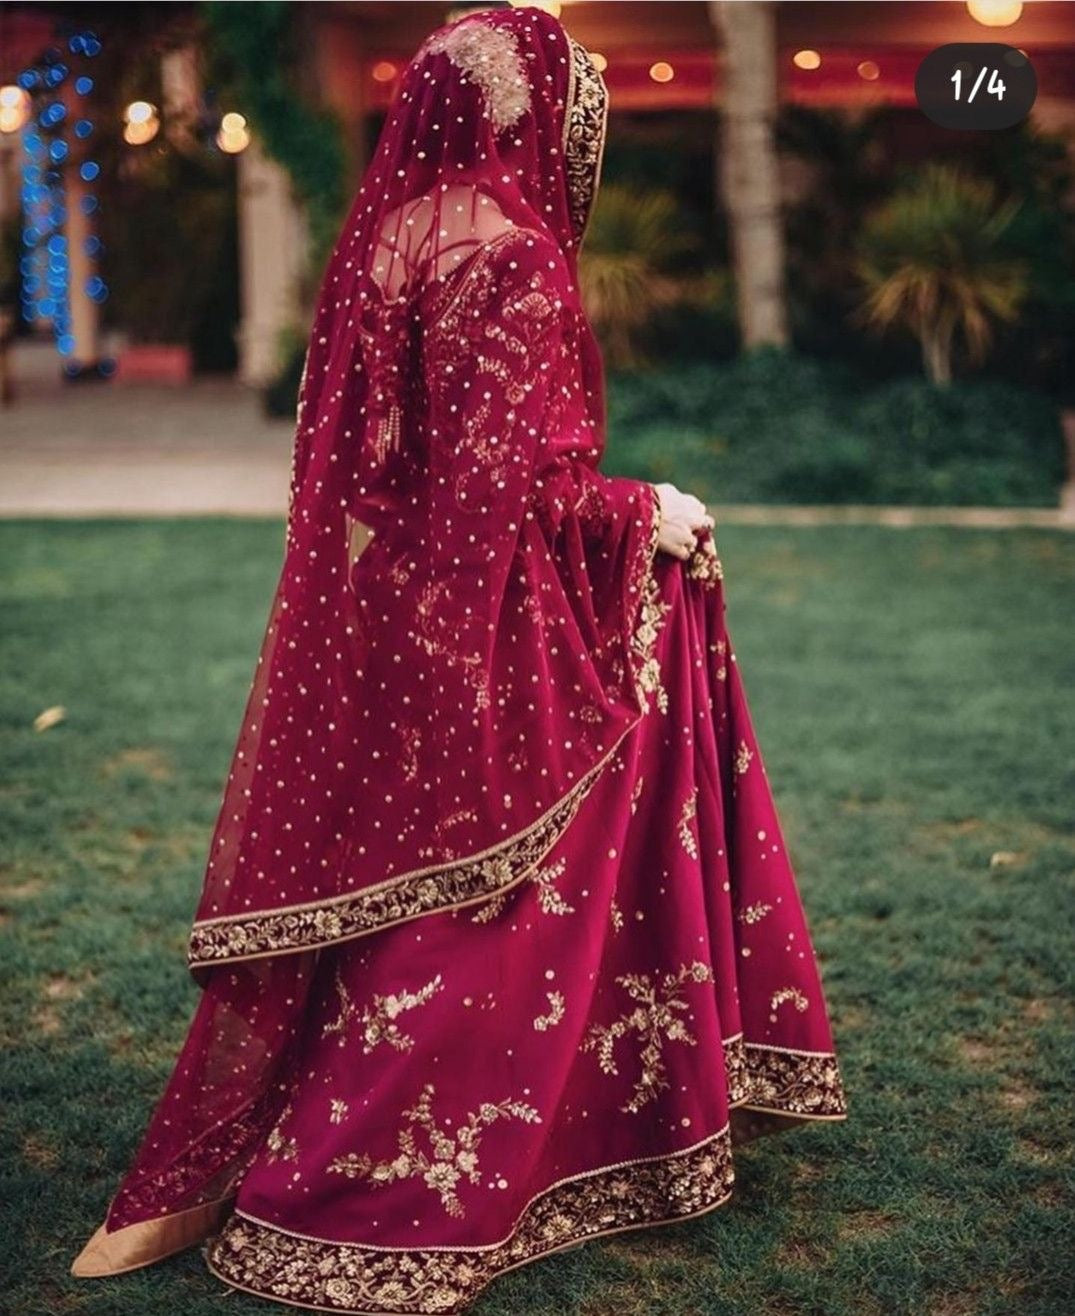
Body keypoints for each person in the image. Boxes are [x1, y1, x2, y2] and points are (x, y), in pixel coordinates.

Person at [71, 6, 847, 1312]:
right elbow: (517, 495)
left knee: (405, 870)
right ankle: (455, 1148)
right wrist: (645, 514)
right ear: (529, 117)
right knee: (500, 887)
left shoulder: (389, 244)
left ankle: (324, 1126)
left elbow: (375, 476)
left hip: (400, 615)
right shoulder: (516, 258)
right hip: (501, 618)